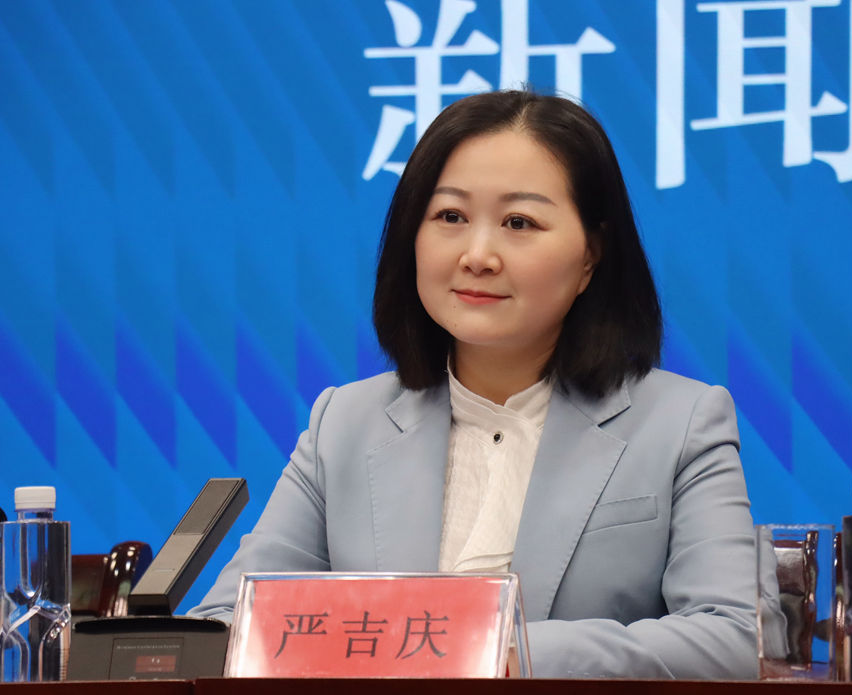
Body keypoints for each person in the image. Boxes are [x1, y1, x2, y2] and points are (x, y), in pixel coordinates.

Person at [190, 90, 758, 679]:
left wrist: (496, 651)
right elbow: (230, 625)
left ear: (591, 255)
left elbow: (734, 637)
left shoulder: (681, 422)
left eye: (519, 223)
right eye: (450, 217)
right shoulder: (344, 423)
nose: (478, 255)